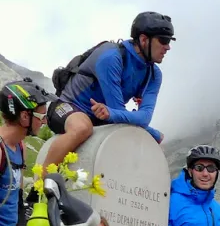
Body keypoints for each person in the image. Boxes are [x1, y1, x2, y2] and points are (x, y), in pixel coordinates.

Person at [44, 11, 175, 168]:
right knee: (82, 128)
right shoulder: (111, 57)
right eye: (163, 40)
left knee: (147, 146)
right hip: (67, 107)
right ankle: (39, 185)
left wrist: (114, 114)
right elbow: (117, 111)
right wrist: (151, 132)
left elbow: (144, 116)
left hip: (101, 118)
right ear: (144, 39)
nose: (168, 47)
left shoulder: (154, 75)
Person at [0, 80, 51, 226]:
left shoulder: (21, 147)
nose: (44, 121)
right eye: (41, 116)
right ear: (24, 116)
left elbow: (18, 198)